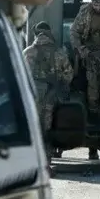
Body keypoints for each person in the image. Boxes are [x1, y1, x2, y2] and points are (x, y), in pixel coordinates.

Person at [23, 22, 74, 167]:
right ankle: (46, 160)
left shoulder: (28, 52)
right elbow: (68, 75)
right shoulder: (59, 52)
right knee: (48, 128)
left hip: (31, 96)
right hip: (51, 96)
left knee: (31, 127)